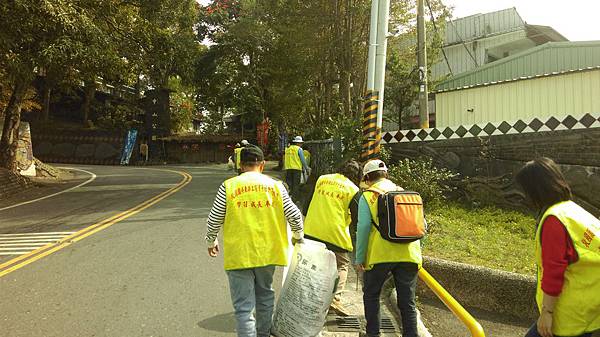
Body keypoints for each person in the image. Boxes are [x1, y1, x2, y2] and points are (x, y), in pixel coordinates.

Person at [205, 145, 304, 337]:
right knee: (265, 295)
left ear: (240, 165)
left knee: (244, 308)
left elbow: (214, 218)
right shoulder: (276, 186)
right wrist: (298, 237)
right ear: (263, 164)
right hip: (268, 252)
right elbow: (294, 215)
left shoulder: (229, 186)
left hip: (239, 254)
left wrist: (211, 241)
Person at [515, 158, 600, 337]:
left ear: (534, 190)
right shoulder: (572, 210)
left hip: (569, 313)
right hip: (590, 304)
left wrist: (547, 313)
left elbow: (554, 271)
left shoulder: (554, 220)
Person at [355, 159, 422, 337]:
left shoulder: (368, 196)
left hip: (380, 255)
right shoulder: (405, 193)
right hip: (409, 254)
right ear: (386, 174)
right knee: (407, 302)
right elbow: (420, 225)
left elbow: (362, 228)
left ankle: (373, 333)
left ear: (367, 177)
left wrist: (359, 258)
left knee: (372, 295)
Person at [303, 160, 361, 316]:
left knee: (313, 265)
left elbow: (306, 206)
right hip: (335, 235)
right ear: (357, 176)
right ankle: (335, 299)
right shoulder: (353, 189)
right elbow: (357, 221)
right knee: (342, 264)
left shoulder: (322, 179)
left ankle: (310, 298)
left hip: (311, 231)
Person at [283, 136, 309, 201]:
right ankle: (294, 200)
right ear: (298, 143)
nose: (301, 144)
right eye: (301, 143)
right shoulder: (299, 149)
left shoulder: (287, 149)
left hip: (288, 168)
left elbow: (284, 159)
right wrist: (306, 169)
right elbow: (303, 160)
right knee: (296, 185)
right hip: (296, 169)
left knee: (289, 184)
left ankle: (288, 198)